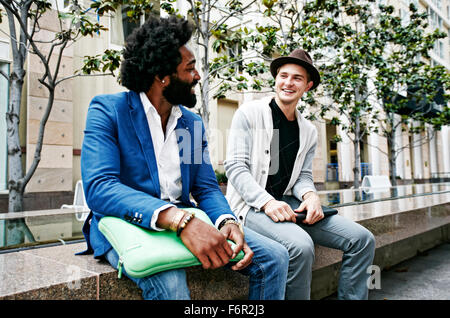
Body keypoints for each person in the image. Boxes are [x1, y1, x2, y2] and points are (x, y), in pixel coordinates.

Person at [78, 15, 289, 300]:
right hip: (126, 224)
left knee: (274, 257)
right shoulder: (108, 111)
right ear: (162, 76)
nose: (198, 77)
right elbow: (101, 187)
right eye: (190, 69)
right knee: (171, 283)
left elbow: (204, 188)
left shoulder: (190, 124)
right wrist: (180, 221)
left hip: (187, 221)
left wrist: (228, 222)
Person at [224, 48, 376, 300]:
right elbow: (236, 168)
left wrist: (311, 196)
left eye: (297, 78)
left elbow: (303, 175)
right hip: (250, 208)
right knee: (301, 247)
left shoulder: (308, 130)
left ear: (308, 85)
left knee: (362, 239)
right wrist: (267, 202)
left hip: (290, 204)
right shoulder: (249, 114)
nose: (288, 82)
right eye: (283, 75)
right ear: (275, 79)